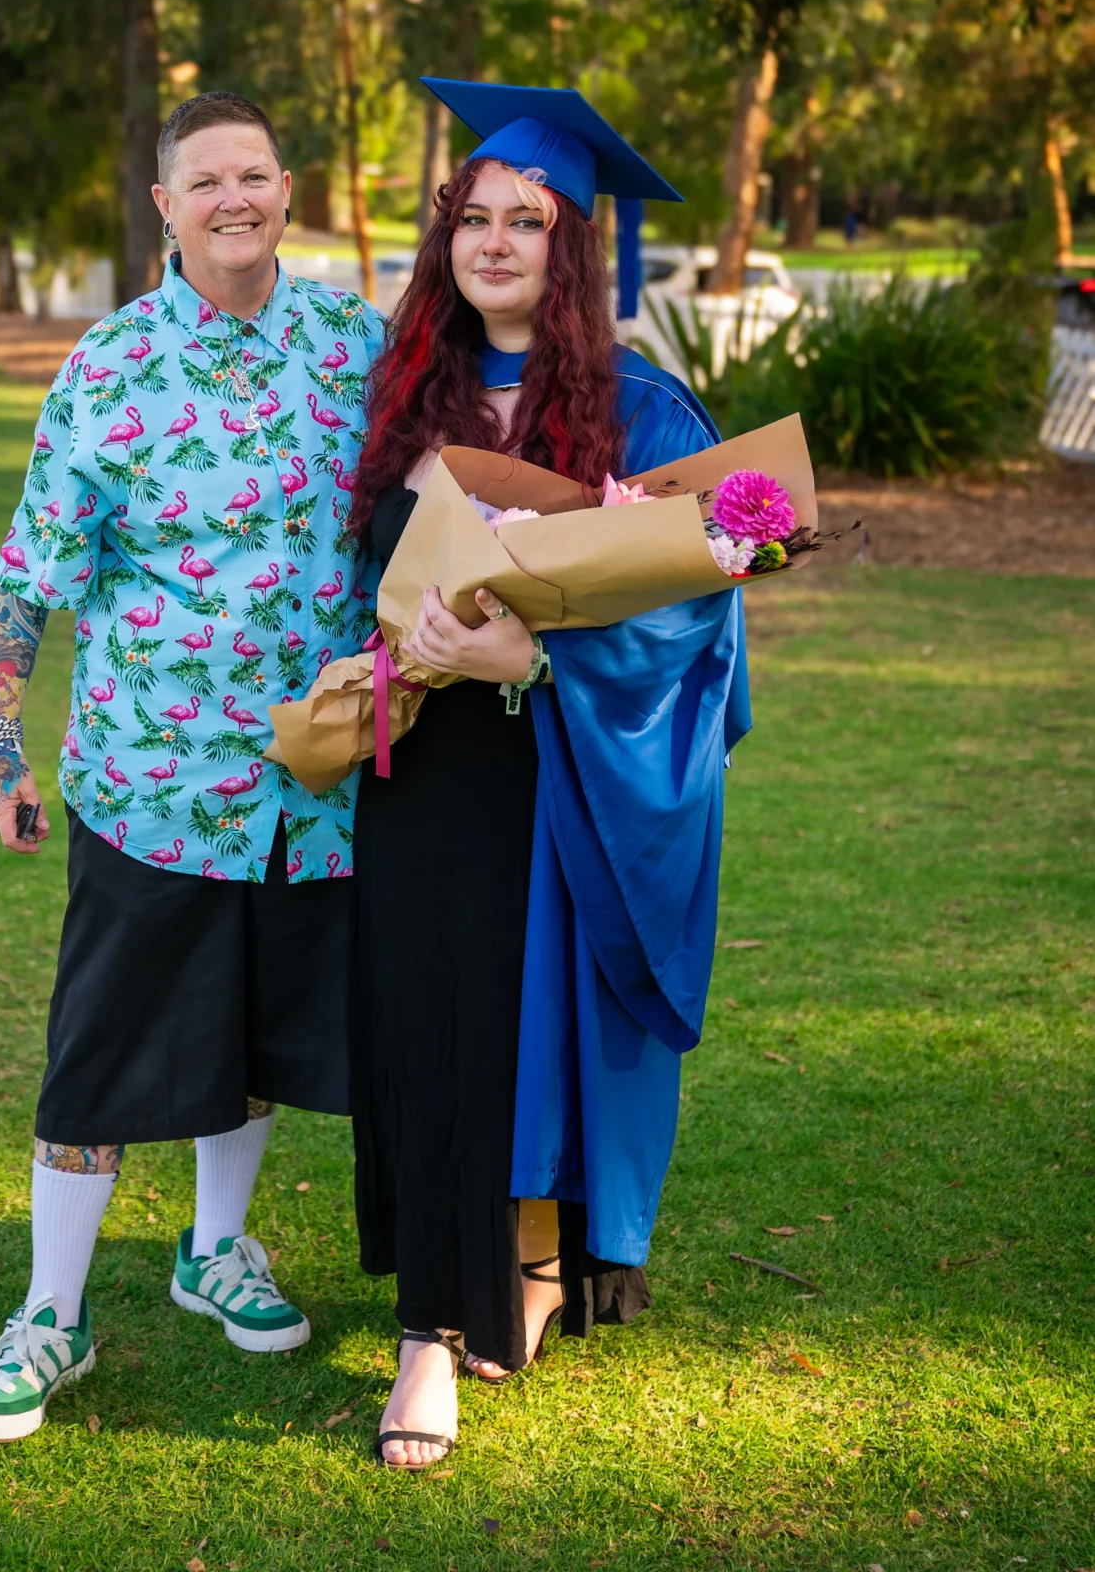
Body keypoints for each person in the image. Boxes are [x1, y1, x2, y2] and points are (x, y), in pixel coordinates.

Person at [0, 91, 383, 1443]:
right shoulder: (111, 368)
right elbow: (33, 573)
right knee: (99, 1061)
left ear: (288, 188)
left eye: (253, 175)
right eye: (206, 182)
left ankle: (215, 1253)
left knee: (251, 1038)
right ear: (165, 207)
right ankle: (51, 1316)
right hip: (153, 788)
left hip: (311, 795)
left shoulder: (354, 345)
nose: (233, 199)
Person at [348, 80, 750, 1469]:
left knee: (516, 1039)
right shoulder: (409, 392)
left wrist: (537, 660)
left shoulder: (640, 410)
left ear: (571, 251)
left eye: (531, 220)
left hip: (554, 777)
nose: (498, 240)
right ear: (444, 234)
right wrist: (408, 633)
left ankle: (490, 1285)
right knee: (434, 1036)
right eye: (476, 215)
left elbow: (695, 613)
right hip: (421, 771)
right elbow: (362, 576)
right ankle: (430, 1329)